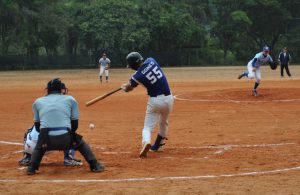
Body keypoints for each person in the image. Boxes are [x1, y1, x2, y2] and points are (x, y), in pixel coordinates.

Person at [27, 78, 104, 175]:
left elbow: (38, 127)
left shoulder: (37, 102)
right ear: (61, 89)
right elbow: (75, 125)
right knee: (80, 143)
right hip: (65, 138)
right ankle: (95, 165)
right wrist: (70, 137)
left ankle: (31, 168)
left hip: (46, 141)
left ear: (48, 89)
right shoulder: (70, 99)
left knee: (40, 144)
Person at [121, 52, 174, 158]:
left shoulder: (137, 76)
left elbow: (129, 88)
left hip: (155, 101)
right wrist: (128, 84)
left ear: (132, 65)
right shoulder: (151, 60)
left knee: (147, 127)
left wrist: (125, 87)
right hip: (169, 99)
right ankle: (159, 145)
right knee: (163, 123)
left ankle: (146, 141)